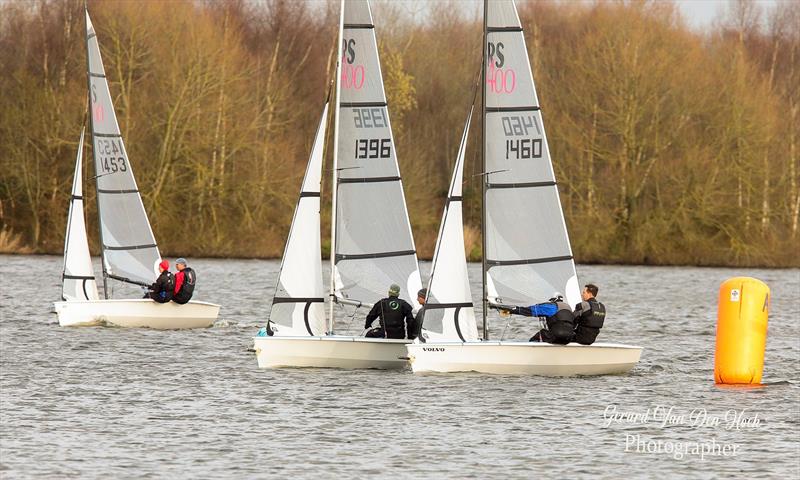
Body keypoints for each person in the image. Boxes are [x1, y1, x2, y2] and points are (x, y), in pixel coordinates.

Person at [504, 293, 575, 344]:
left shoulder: (550, 307)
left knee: (540, 334)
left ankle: (532, 354)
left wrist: (513, 310)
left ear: (553, 300)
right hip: (569, 337)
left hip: (557, 335)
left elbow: (530, 311)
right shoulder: (569, 308)